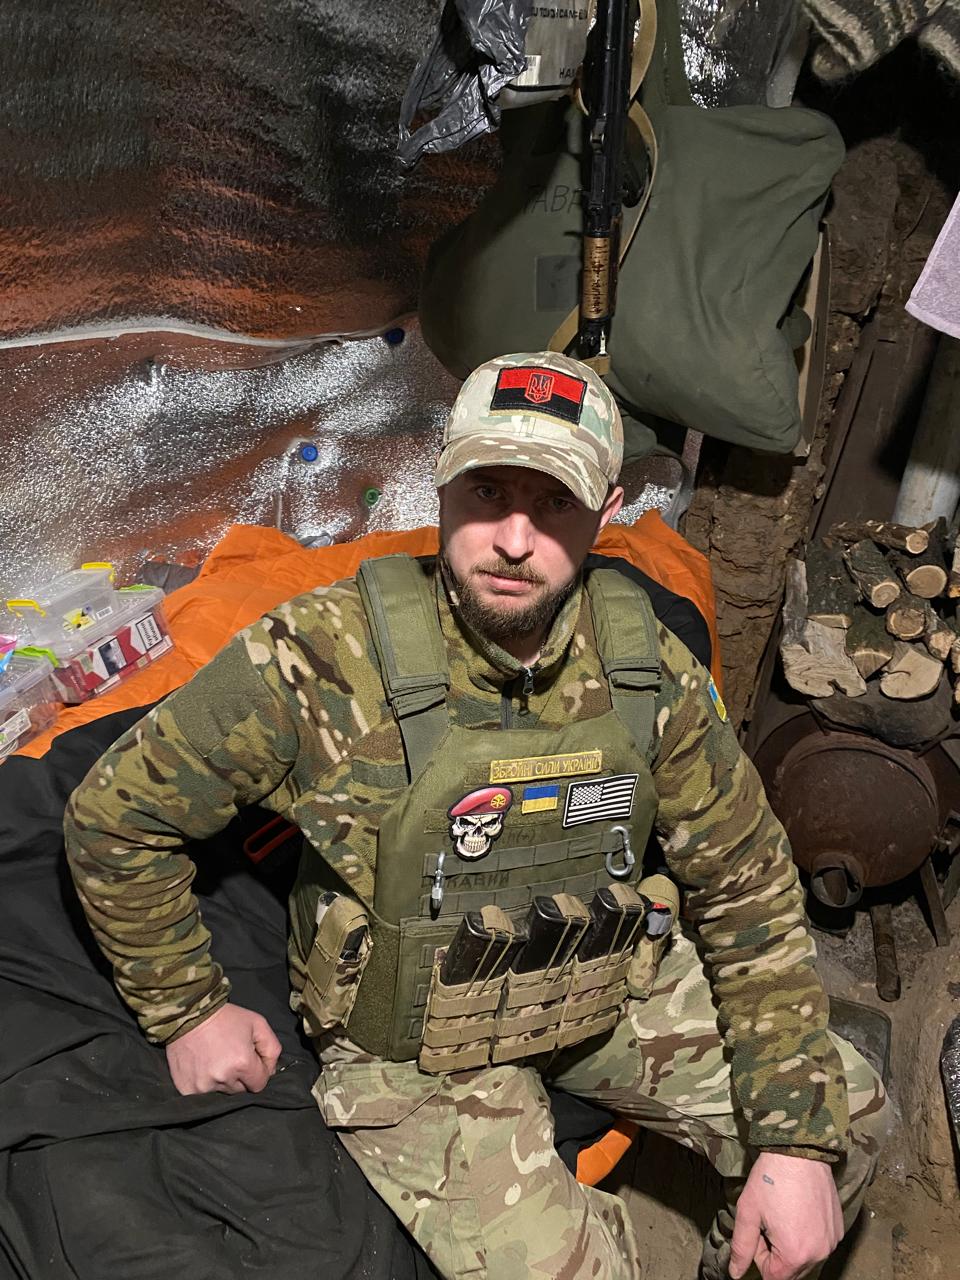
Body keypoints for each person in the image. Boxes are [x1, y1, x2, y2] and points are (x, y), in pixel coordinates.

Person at [65, 351, 888, 1280]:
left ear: (610, 510)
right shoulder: (322, 656)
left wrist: (794, 1142)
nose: (513, 539)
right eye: (488, 492)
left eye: (556, 503)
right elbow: (113, 818)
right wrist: (188, 1010)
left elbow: (748, 889)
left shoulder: (644, 667)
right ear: (442, 482)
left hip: (597, 990)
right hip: (415, 1047)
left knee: (843, 1121)